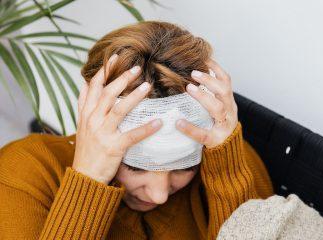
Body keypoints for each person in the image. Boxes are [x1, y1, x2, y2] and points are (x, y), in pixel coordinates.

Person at [0, 21, 274, 239]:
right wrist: (89, 179)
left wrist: (227, 170)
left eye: (183, 167)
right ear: (88, 115)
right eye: (135, 167)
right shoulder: (24, 174)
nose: (159, 195)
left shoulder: (228, 159)